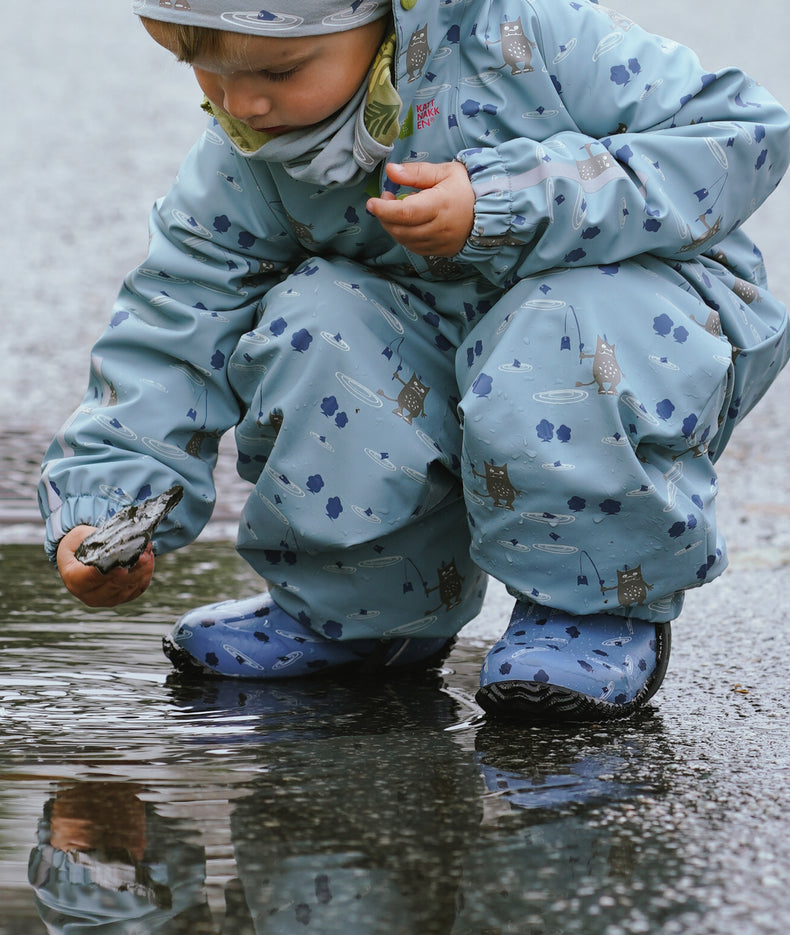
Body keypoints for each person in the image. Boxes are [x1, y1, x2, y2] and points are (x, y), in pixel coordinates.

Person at [39, 0, 790, 720]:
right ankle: (364, 611)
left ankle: (590, 608)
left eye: (279, 72)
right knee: (320, 317)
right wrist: (107, 505)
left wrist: (508, 198)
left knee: (554, 326)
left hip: (628, 322)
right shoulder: (251, 158)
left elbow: (740, 133)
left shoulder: (531, 40)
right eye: (201, 68)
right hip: (432, 340)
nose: (242, 106)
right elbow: (176, 320)